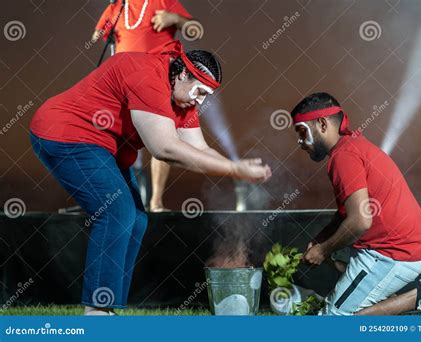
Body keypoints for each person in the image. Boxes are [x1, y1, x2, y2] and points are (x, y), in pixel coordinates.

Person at [29, 40, 272, 315]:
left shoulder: (182, 99)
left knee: (136, 218)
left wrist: (235, 168)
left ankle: (106, 308)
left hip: (105, 148)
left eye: (206, 96)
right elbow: (165, 149)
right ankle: (97, 311)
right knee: (117, 213)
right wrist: (235, 170)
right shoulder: (148, 77)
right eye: (200, 91)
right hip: (65, 134)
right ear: (183, 74)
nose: (200, 101)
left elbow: (199, 149)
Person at [291, 92, 421, 315]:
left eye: (302, 132)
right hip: (402, 246)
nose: (300, 142)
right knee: (341, 273)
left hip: (393, 253)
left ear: (322, 124)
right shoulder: (352, 146)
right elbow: (346, 214)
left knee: (333, 321)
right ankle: (402, 298)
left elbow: (360, 221)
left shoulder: (344, 157)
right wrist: (321, 240)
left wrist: (322, 250)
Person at [92, 0, 200, 211]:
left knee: (162, 138)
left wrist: (176, 19)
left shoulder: (163, 1)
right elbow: (98, 35)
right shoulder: (117, 6)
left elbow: (196, 29)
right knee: (120, 140)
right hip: (125, 83)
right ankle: (121, 200)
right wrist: (104, 32)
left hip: (157, 82)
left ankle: (156, 202)